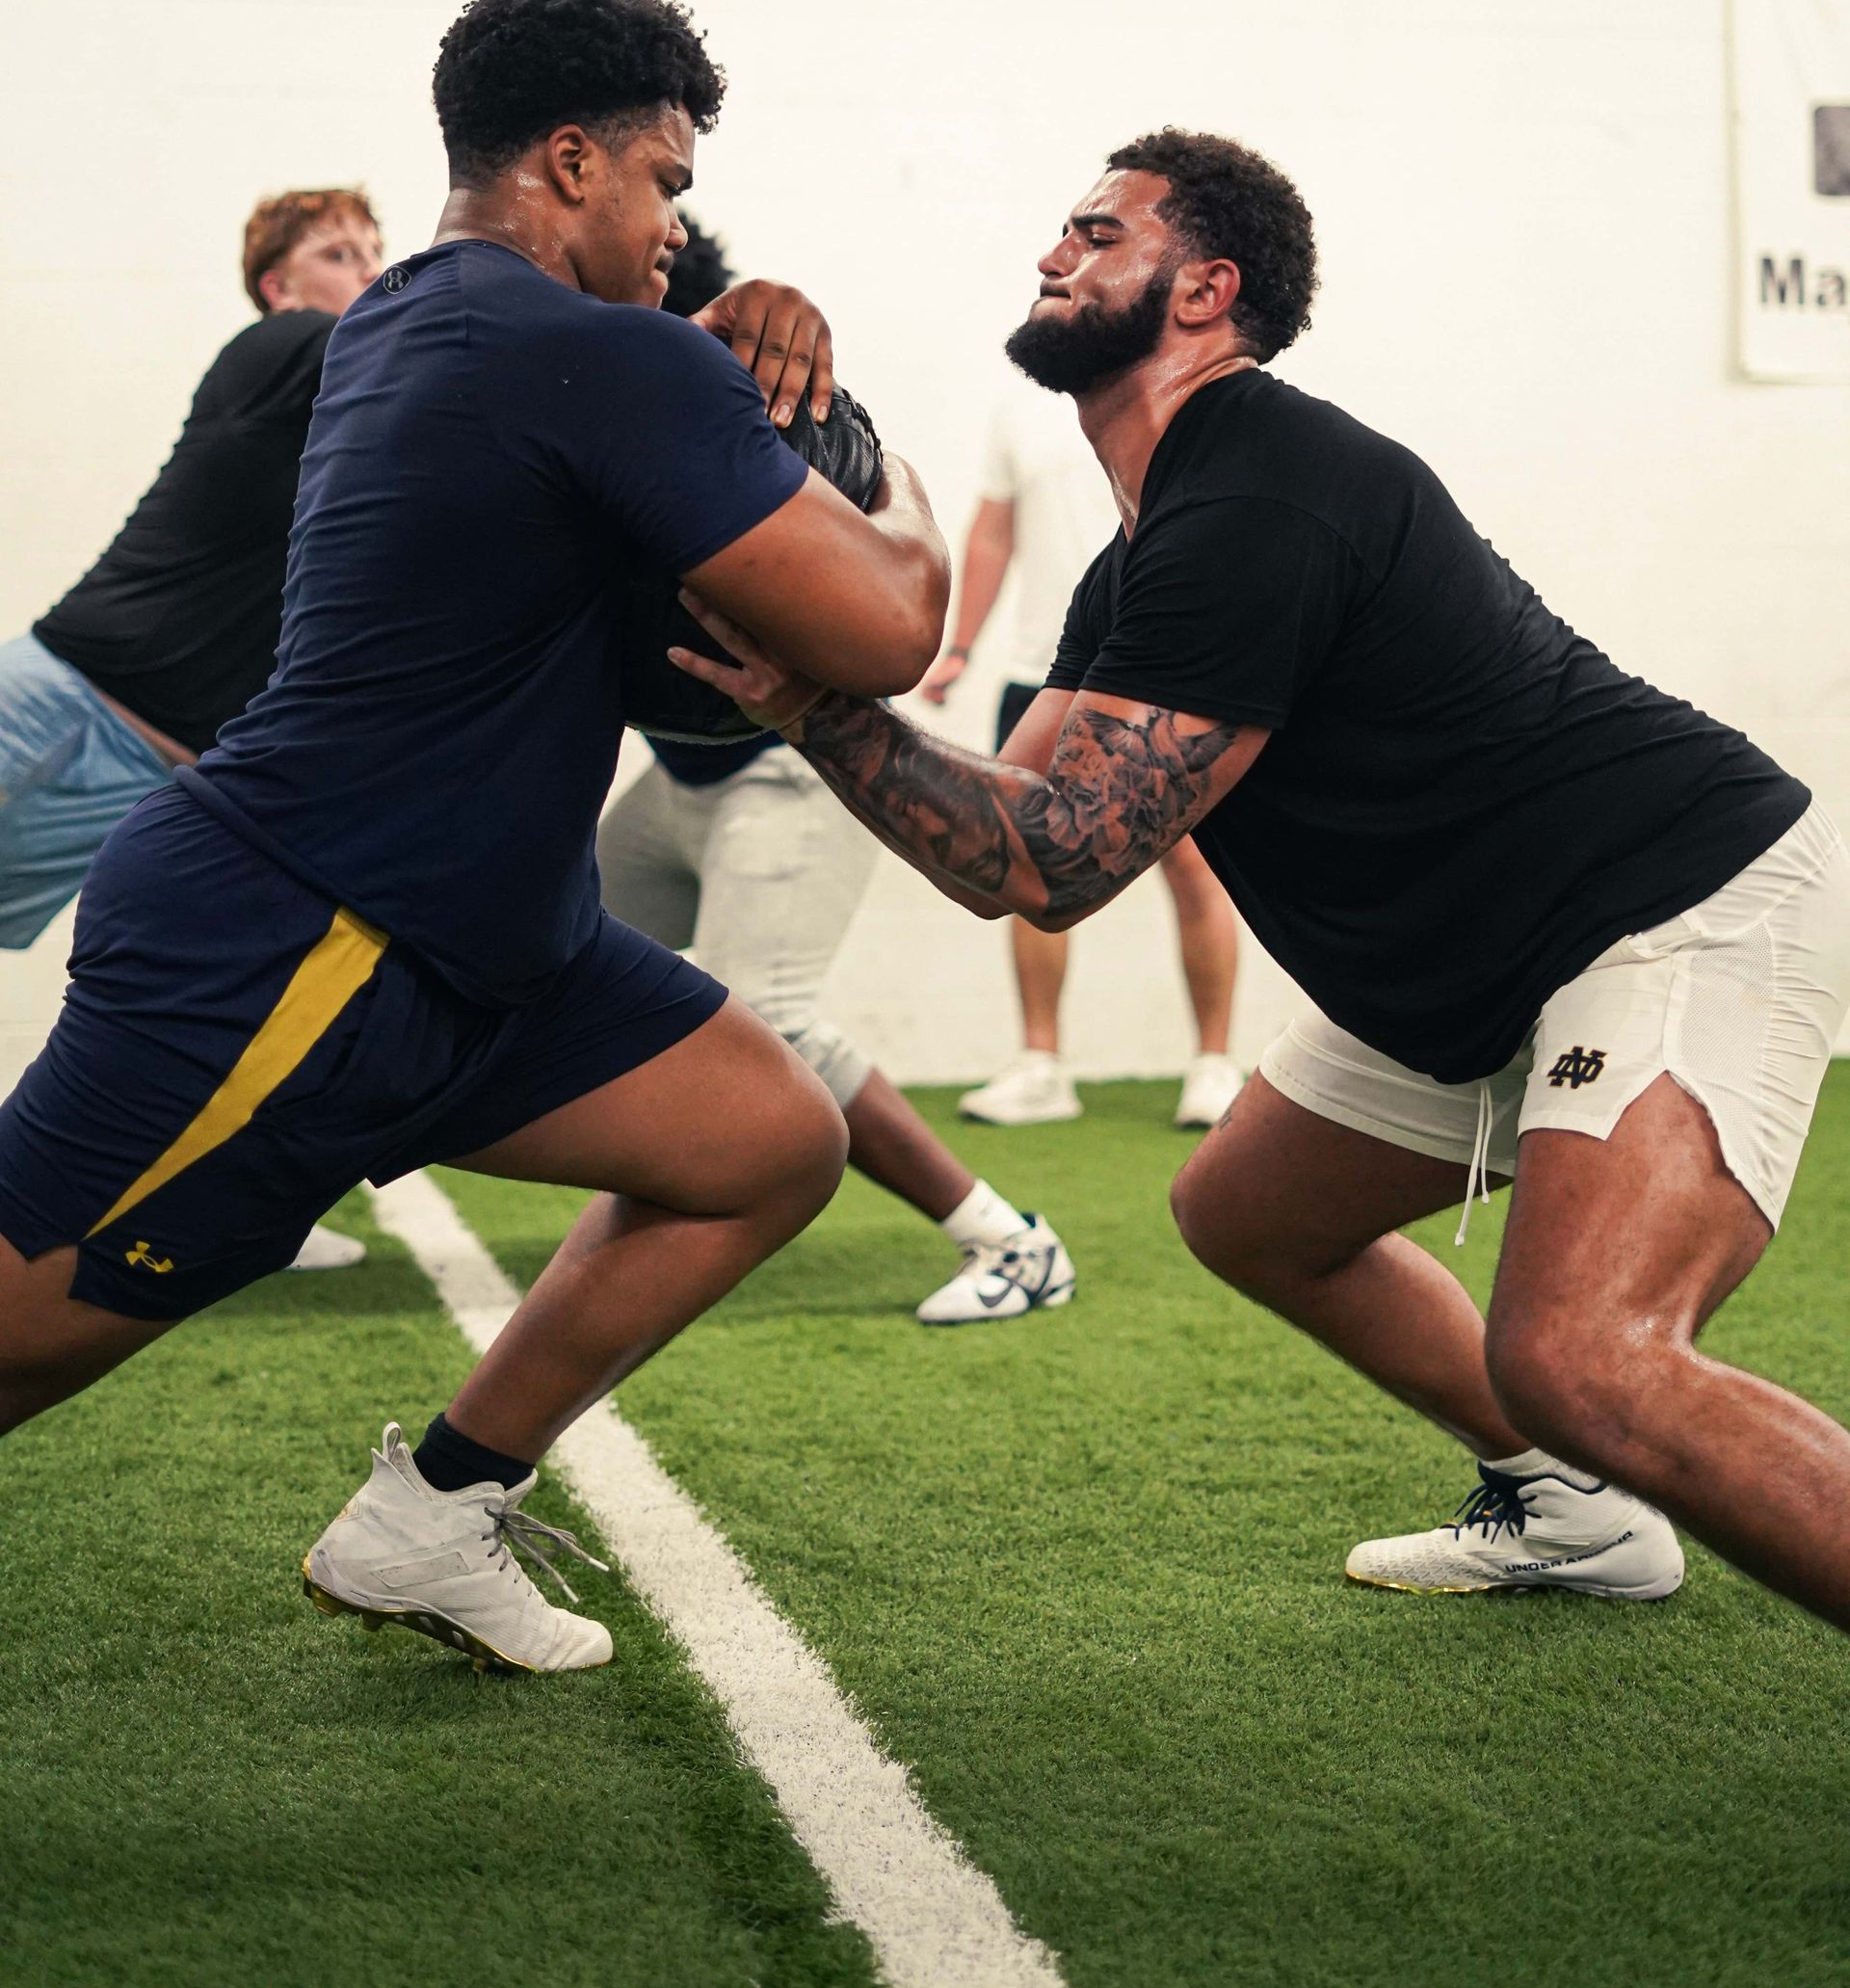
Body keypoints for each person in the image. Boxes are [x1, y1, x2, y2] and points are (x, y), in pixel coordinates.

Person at [672, 126, 1850, 1630]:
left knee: (1589, 1355)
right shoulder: (1142, 557)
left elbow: (1053, 861)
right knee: (1251, 1211)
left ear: (1207, 288)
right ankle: (1574, 1509)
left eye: (1099, 235)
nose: (1054, 253)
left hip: (1674, 902)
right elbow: (1006, 836)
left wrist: (812, 706)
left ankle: (1579, 1448)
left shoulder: (1264, 492)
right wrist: (810, 646)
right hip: (1493, 958)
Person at [0, 0, 949, 1675]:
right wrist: (869, 450)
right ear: (573, 163)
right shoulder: (568, 349)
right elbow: (889, 628)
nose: (678, 227)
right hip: (302, 942)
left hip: (487, 954)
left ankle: (434, 1512)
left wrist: (730, 337)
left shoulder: (416, 320)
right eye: (666, 183)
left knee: (765, 1140)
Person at [597, 219, 1072, 1326]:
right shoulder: (595, 415)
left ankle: (1009, 1239)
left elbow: (880, 591)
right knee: (523, 932)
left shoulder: (760, 434)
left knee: (774, 1025)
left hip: (790, 772)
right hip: (681, 783)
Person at [0, 186, 389, 1274]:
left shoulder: (363, 417)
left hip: (173, 775)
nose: (365, 266)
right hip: (64, 720)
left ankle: (225, 1210)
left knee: (245, 987)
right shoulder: (283, 347)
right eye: (337, 252)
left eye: (375, 249)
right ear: (280, 285)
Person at [921, 373, 1242, 1128]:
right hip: (1045, 673)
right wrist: (961, 647)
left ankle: (1213, 1065)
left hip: (1159, 672)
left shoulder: (1178, 395)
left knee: (1194, 866)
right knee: (1031, 860)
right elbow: (993, 531)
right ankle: (1040, 1066)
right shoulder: (1022, 411)